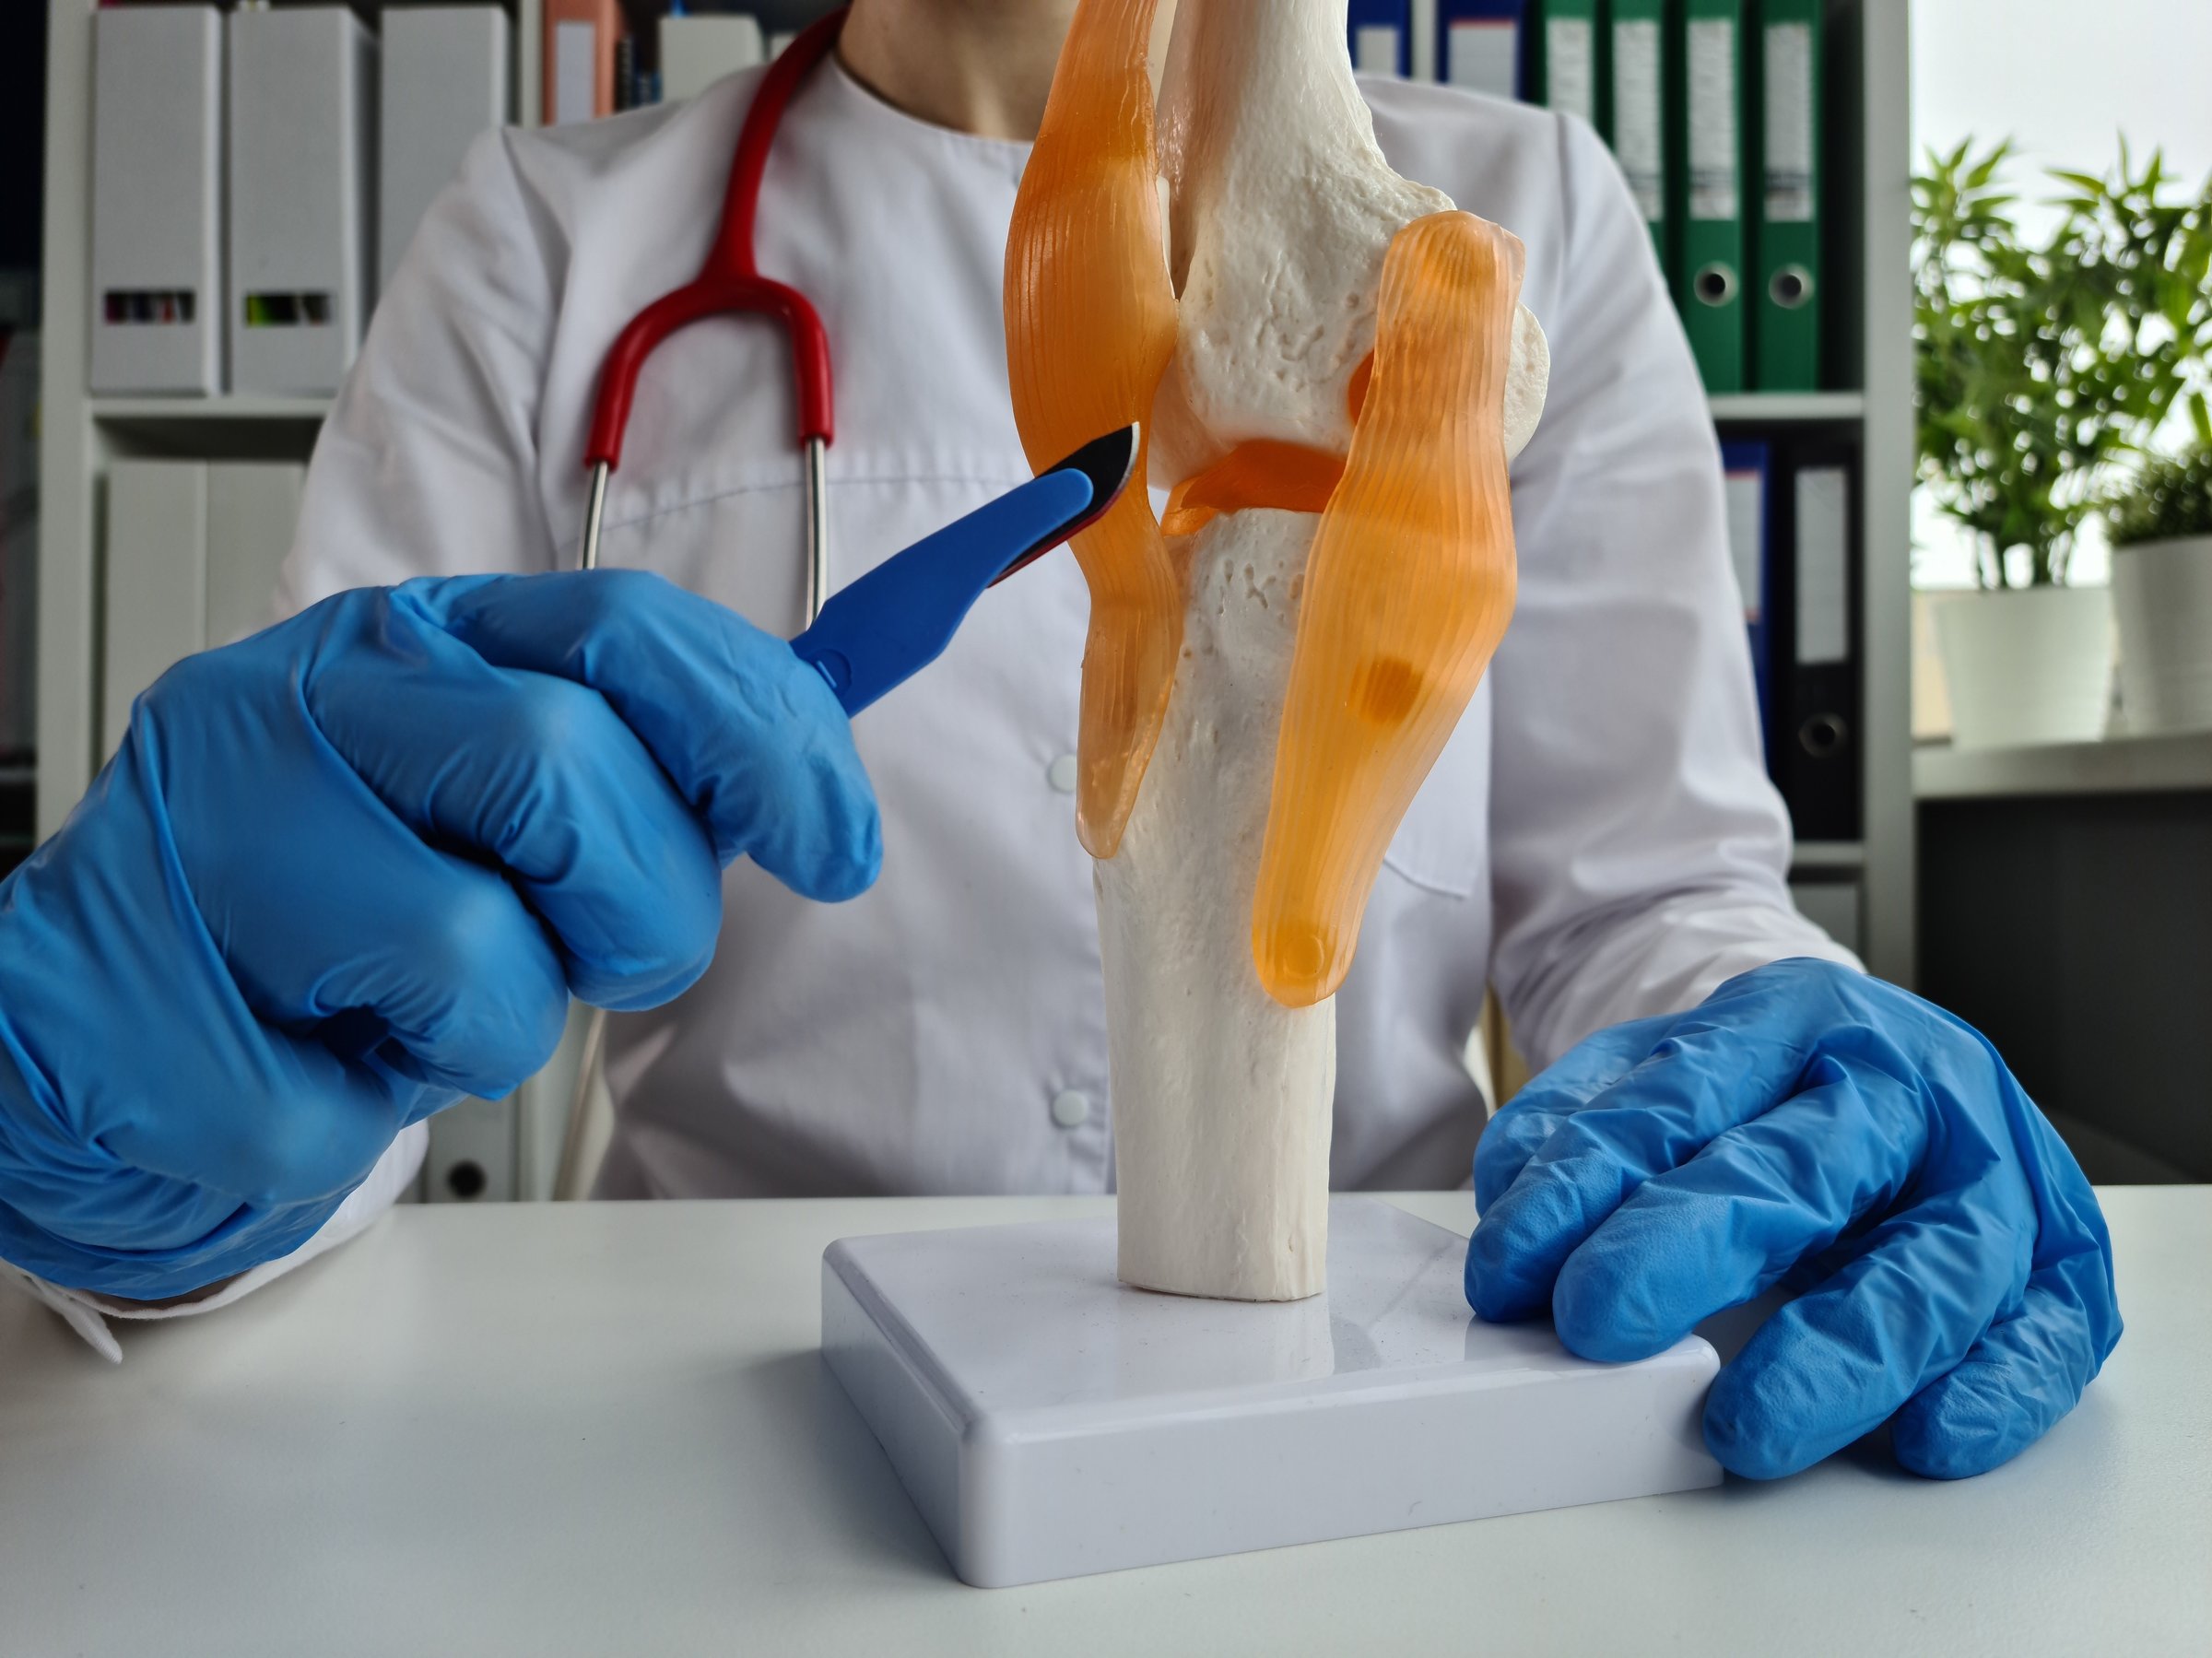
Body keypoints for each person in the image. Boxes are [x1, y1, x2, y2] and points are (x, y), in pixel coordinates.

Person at [0, 0, 2117, 1480]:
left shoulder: (1513, 217)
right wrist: (171, 1113)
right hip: (725, 1411)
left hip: (1381, 1388)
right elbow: (347, 959)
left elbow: (1646, 900)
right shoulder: (556, 238)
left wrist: (1782, 1043)